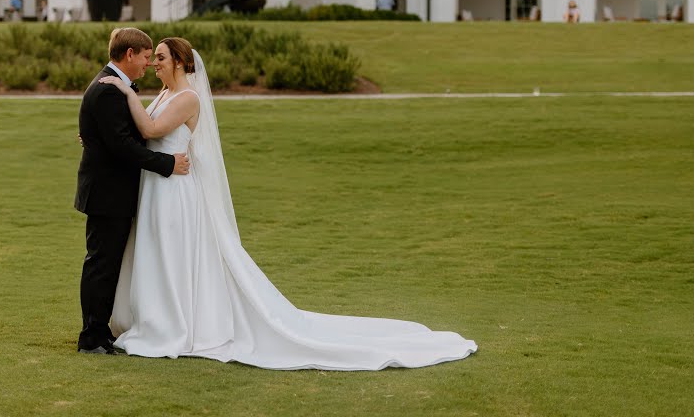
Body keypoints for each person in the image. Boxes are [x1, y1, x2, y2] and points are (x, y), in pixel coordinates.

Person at [97, 37, 477, 370]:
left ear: (180, 62)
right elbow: (141, 133)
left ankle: (173, 326)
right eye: (154, 57)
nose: (155, 63)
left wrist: (126, 92)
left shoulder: (187, 98)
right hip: (158, 186)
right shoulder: (164, 94)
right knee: (159, 253)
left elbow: (151, 129)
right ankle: (156, 319)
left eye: (161, 57)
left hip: (175, 191)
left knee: (172, 255)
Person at [75, 28, 192, 356]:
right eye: (146, 56)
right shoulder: (109, 90)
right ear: (130, 54)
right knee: (102, 264)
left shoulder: (116, 87)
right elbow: (124, 146)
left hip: (113, 191)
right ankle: (92, 338)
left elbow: (123, 136)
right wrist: (168, 163)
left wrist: (94, 137)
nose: (148, 63)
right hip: (108, 193)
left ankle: (101, 332)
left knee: (108, 263)